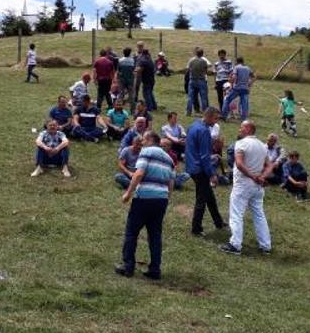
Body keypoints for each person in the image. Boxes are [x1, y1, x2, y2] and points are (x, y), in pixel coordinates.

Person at [115, 131, 175, 280]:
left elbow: (139, 173)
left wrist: (128, 193)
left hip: (144, 198)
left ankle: (128, 266)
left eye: (143, 140)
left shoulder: (146, 152)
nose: (141, 142)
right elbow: (171, 182)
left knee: (131, 232)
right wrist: (167, 197)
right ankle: (155, 269)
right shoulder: (169, 158)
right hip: (161, 200)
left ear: (149, 140)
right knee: (155, 236)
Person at [219, 120, 273, 256]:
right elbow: (270, 165)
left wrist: (254, 176)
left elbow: (239, 164)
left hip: (243, 184)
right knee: (259, 214)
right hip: (257, 187)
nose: (239, 129)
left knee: (236, 213)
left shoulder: (241, 144)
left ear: (248, 129)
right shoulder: (262, 146)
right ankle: (265, 245)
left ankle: (235, 244)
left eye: (242, 127)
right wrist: (262, 177)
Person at [185, 107, 226, 236]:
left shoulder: (193, 126)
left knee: (209, 197)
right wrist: (212, 174)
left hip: (191, 166)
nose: (216, 121)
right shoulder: (204, 131)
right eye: (215, 118)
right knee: (201, 199)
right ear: (208, 116)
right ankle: (196, 229)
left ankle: (218, 222)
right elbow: (204, 156)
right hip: (200, 169)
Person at [187, 47, 209, 116]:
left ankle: (188, 112)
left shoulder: (191, 60)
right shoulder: (204, 62)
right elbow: (206, 71)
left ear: (196, 53)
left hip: (192, 79)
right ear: (202, 54)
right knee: (203, 97)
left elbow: (188, 68)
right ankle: (205, 112)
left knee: (190, 97)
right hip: (201, 80)